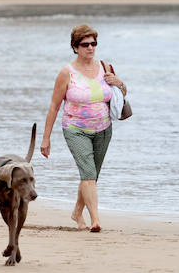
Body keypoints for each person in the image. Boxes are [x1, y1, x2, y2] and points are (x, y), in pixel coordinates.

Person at [41, 25, 126, 232]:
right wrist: (46, 138)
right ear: (75, 47)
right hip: (75, 128)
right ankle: (95, 220)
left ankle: (77, 212)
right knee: (88, 173)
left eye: (93, 43)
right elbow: (54, 106)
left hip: (104, 128)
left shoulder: (106, 67)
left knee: (91, 175)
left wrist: (119, 82)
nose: (90, 48)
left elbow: (120, 93)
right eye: (85, 44)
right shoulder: (66, 73)